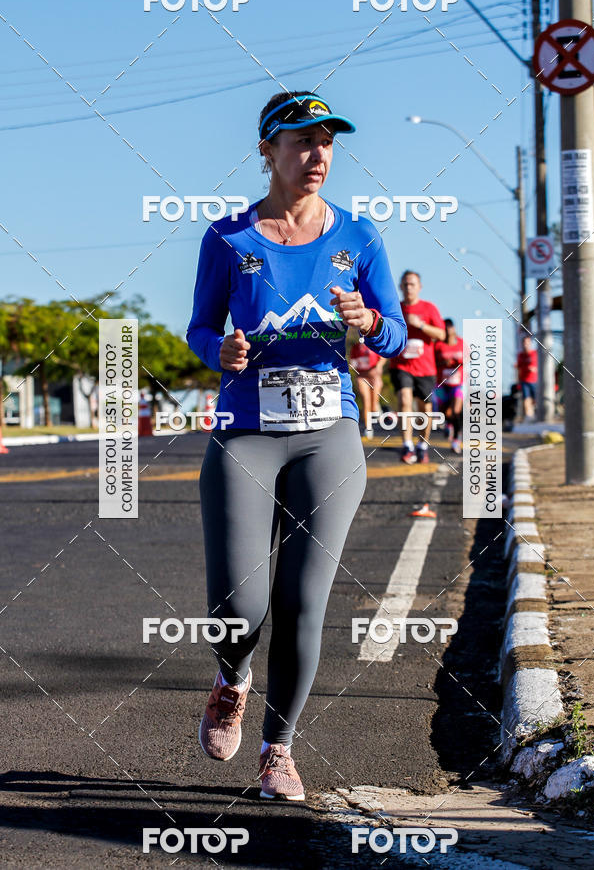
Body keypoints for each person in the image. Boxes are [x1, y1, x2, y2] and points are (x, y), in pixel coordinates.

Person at [186, 91, 406, 801]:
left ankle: (277, 748)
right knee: (238, 607)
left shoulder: (359, 236)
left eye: (326, 142)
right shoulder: (228, 238)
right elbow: (197, 328)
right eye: (300, 140)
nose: (316, 154)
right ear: (267, 151)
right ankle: (232, 678)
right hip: (247, 431)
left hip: (328, 436)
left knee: (304, 601)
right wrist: (219, 349)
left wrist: (370, 318)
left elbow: (396, 335)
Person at [388, 270, 445, 464]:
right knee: (404, 400)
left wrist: (421, 326)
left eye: (412, 284)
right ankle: (407, 445)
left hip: (425, 368)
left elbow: (441, 335)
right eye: (405, 284)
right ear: (400, 287)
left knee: (424, 409)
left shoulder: (429, 309)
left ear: (419, 287)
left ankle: (422, 445)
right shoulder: (395, 308)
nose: (409, 288)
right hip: (401, 365)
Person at [433, 319, 463, 454]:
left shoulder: (461, 343)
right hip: (441, 384)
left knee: (456, 411)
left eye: (450, 328)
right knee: (445, 412)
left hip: (458, 384)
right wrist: (442, 362)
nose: (448, 331)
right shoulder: (438, 345)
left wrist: (458, 362)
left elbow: (469, 358)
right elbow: (431, 362)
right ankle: (448, 424)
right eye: (445, 328)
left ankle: (456, 440)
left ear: (453, 329)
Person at [349, 339, 386, 438]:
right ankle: (368, 427)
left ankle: (377, 408)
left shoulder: (373, 344)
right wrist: (353, 365)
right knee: (366, 401)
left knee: (373, 406)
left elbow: (383, 357)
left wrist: (379, 366)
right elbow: (352, 362)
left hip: (374, 377)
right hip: (362, 376)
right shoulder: (355, 347)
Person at [516, 335, 538, 419]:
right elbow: (519, 368)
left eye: (528, 343)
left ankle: (536, 415)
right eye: (524, 343)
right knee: (526, 399)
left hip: (535, 380)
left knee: (535, 399)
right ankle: (529, 417)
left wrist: (535, 369)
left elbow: (541, 367)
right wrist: (518, 381)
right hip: (524, 380)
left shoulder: (535, 353)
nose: (526, 345)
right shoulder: (520, 355)